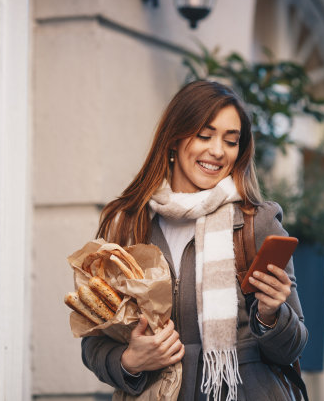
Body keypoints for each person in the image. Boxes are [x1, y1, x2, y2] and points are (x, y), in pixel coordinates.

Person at [81, 80, 308, 400]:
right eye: (204, 135)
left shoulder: (257, 223)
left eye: (231, 141)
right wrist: (130, 360)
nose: (217, 151)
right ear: (174, 138)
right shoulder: (127, 225)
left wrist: (271, 316)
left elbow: (294, 346)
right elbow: (95, 341)